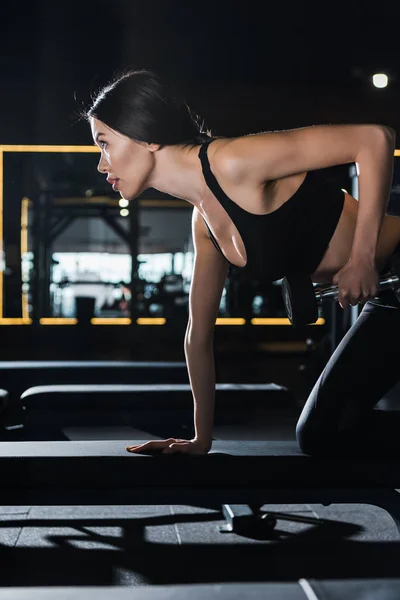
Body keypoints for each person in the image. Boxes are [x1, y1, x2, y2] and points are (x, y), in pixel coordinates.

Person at [84, 68, 399, 457]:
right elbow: (197, 337)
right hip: (389, 299)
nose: (101, 164)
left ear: (146, 136)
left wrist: (361, 259)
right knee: (321, 432)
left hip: (390, 266)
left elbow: (374, 140)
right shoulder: (204, 224)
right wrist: (201, 439)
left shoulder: (233, 161)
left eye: (105, 143)